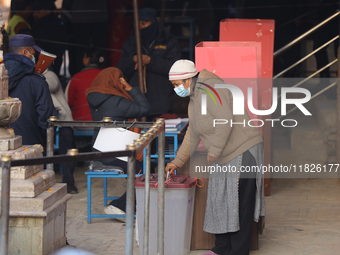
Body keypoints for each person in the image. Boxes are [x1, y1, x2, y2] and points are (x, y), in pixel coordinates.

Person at [165, 60, 265, 255]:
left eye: (177, 85)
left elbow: (224, 120)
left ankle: (238, 251)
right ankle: (221, 248)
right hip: (225, 154)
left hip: (243, 150)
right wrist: (177, 161)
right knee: (220, 200)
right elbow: (192, 135)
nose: (176, 89)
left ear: (187, 80)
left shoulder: (212, 89)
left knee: (239, 204)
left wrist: (215, 149)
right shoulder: (194, 98)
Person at [86, 67, 151, 218]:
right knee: (144, 173)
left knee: (140, 171)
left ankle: (133, 205)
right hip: (115, 152)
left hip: (100, 150)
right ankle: (119, 206)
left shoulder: (94, 97)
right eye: (120, 79)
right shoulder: (116, 100)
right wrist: (131, 89)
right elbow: (145, 108)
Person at [117, 7, 181, 121]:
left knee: (161, 137)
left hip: (161, 103)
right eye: (138, 24)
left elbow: (175, 68)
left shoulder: (169, 42)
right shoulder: (130, 43)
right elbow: (120, 70)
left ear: (154, 22)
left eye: (144, 23)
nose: (140, 27)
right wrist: (133, 60)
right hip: (136, 104)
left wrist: (150, 61)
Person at [4, 34, 56, 149]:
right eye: (32, 54)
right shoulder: (37, 82)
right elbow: (46, 118)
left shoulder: (2, 78)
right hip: (31, 147)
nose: (34, 57)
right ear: (24, 52)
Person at [44, 68, 78, 194]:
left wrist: (35, 77)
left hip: (63, 119)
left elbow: (52, 85)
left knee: (67, 143)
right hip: (43, 121)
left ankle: (69, 181)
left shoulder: (49, 74)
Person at [66, 48, 106, 121]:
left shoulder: (76, 78)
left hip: (81, 123)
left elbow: (68, 102)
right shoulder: (108, 76)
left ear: (88, 59)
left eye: (84, 56)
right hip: (105, 122)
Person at [31, 0, 67, 76]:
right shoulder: (58, 24)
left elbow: (38, 48)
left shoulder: (39, 26)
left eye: (38, 11)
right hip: (55, 63)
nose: (34, 14)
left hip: (43, 65)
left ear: (47, 11)